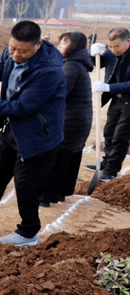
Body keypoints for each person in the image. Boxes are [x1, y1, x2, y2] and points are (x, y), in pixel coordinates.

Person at [0, 20, 66, 247]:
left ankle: (28, 232)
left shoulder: (50, 71)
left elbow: (23, 107)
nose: (16, 54)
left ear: (38, 44)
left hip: (38, 136)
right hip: (11, 129)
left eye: (22, 51)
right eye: (12, 48)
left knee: (26, 186)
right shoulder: (11, 52)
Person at [39, 32, 93, 205]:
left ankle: (46, 197)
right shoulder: (77, 63)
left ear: (74, 45)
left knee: (57, 157)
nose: (60, 46)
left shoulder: (71, 66)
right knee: (68, 157)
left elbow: (60, 92)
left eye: (64, 42)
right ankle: (60, 192)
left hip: (70, 120)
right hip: (79, 120)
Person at [88, 27, 130, 182]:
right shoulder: (111, 53)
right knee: (109, 132)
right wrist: (92, 54)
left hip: (128, 101)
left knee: (121, 136)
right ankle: (106, 163)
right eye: (110, 46)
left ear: (128, 42)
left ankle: (111, 170)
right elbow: (92, 64)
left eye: (117, 46)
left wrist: (109, 87)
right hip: (116, 100)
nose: (113, 50)